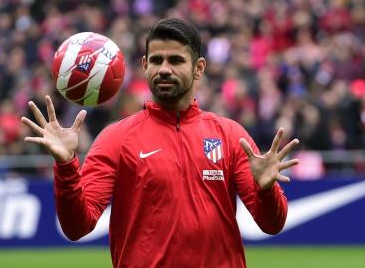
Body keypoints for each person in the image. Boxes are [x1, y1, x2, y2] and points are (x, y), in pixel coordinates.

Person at [21, 18, 299, 268]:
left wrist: (266, 191)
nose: (164, 69)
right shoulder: (116, 138)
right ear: (144, 65)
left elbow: (271, 224)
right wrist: (66, 166)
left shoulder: (229, 135)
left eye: (176, 61)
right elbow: (77, 227)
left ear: (199, 68)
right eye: (156, 60)